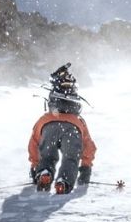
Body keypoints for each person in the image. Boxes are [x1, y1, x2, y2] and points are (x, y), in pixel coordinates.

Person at [28, 64, 98, 194]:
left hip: (48, 127)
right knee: (70, 158)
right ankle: (63, 182)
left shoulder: (44, 119)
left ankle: (45, 173)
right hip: (73, 128)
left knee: (47, 156)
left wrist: (34, 166)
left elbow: (34, 142)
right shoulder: (79, 121)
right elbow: (89, 146)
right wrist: (85, 169)